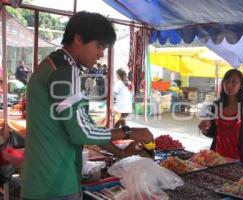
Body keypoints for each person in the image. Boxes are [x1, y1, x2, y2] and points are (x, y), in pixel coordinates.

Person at [21, 12, 153, 200]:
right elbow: (81, 133)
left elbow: (84, 123)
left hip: (43, 179)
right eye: (99, 46)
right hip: (56, 183)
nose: (101, 54)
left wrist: (120, 152)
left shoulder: (56, 65)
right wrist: (129, 132)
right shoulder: (66, 72)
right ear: (78, 39)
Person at [198, 69, 243, 165]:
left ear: (241, 85)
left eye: (234, 82)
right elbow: (214, 133)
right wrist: (203, 128)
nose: (229, 85)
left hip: (238, 162)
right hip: (215, 160)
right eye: (227, 81)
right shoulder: (216, 106)